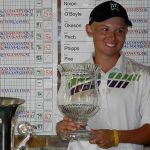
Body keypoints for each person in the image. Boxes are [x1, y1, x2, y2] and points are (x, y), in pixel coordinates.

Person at [56, 1, 150, 149]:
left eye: (119, 31)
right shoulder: (73, 74)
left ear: (126, 32)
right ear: (89, 30)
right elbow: (59, 126)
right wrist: (62, 127)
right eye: (105, 29)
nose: (112, 37)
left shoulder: (144, 76)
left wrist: (116, 136)